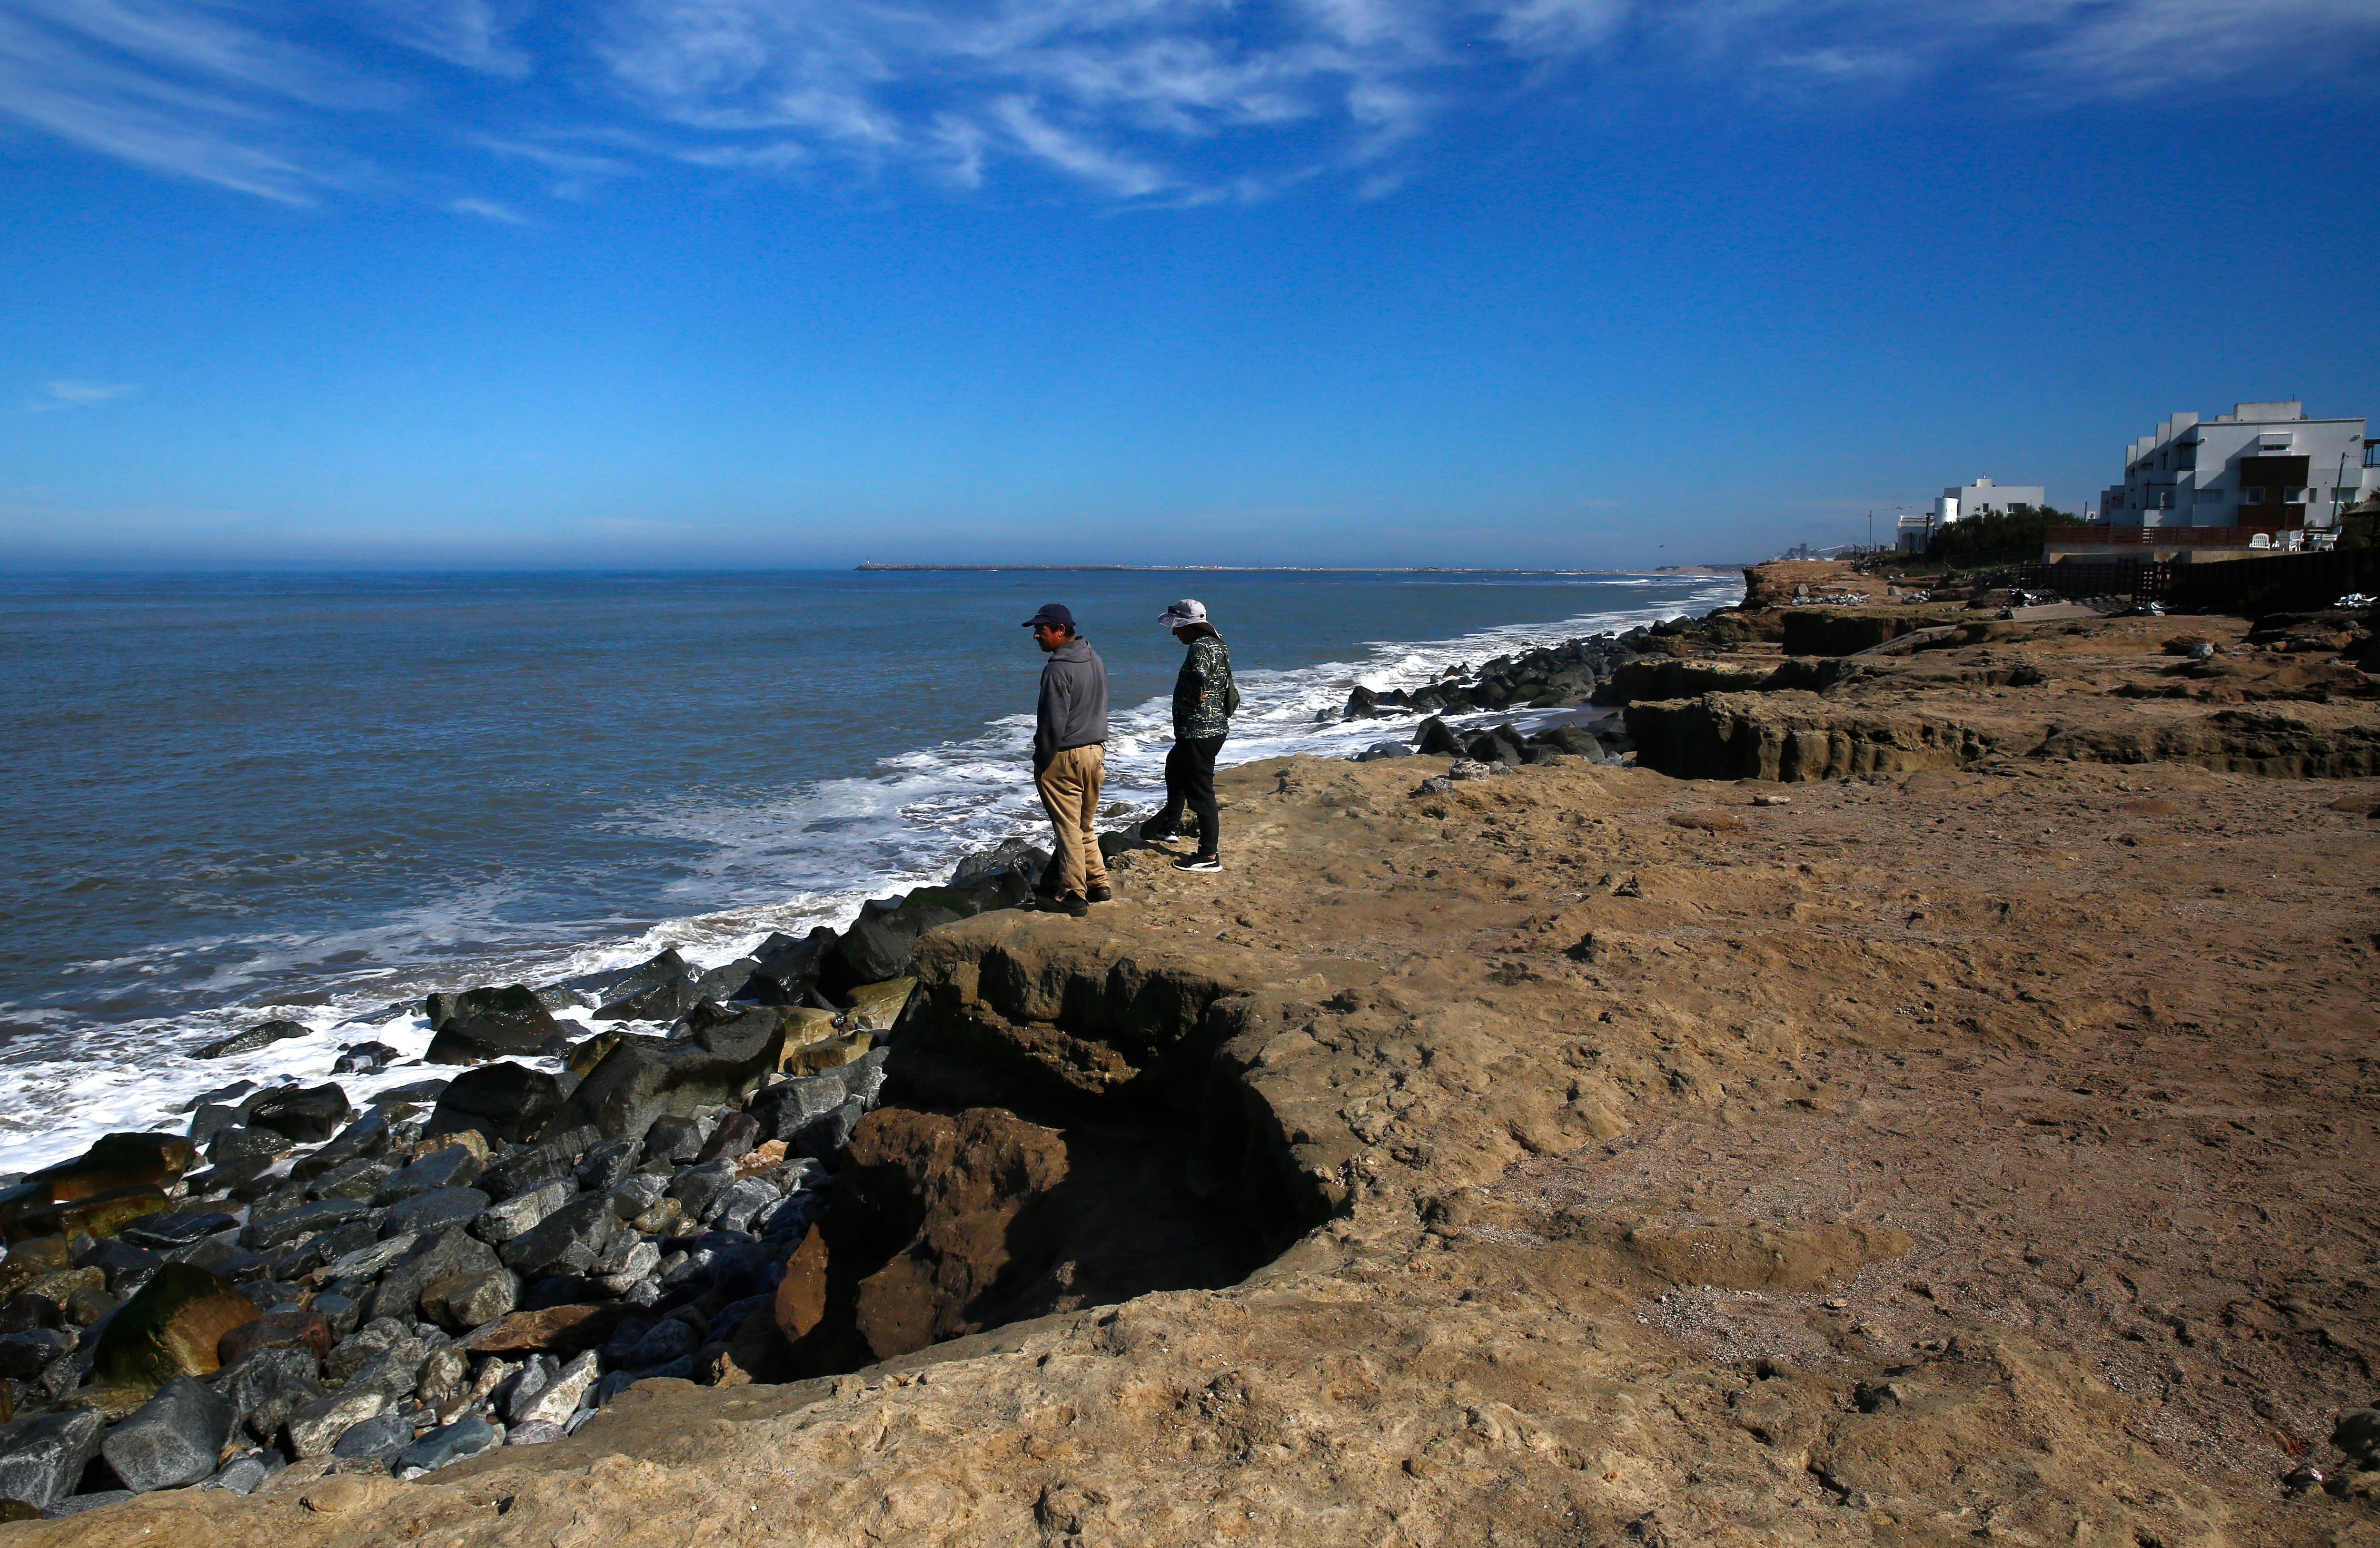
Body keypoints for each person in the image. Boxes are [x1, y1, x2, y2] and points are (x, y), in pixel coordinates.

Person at [1022, 602, 1111, 917]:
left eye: (1040, 630)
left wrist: (1041, 760)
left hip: (1066, 756)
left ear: (1061, 631)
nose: (1036, 636)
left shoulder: (1057, 669)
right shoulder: (1094, 659)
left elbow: (1051, 725)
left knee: (1068, 828)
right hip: (1096, 753)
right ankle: (1098, 881)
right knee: (1085, 823)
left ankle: (1074, 894)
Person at [1145, 598, 1237, 873]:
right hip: (1208, 729)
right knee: (1175, 768)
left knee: (1201, 793)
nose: (1175, 633)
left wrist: (1194, 700)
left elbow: (1199, 678)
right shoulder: (1217, 644)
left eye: (1178, 627)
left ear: (1191, 625)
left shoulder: (1199, 648)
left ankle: (1209, 856)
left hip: (1200, 731)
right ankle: (1170, 827)